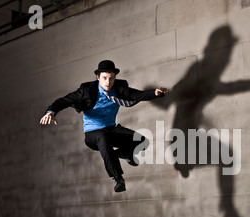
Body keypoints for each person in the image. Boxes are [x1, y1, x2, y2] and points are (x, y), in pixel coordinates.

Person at [40, 60, 168, 192]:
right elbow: (64, 100)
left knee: (142, 141)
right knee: (102, 137)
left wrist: (155, 93)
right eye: (105, 78)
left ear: (115, 77)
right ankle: (118, 179)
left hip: (111, 130)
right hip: (93, 133)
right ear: (98, 77)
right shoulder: (86, 90)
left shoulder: (119, 88)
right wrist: (51, 112)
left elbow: (136, 95)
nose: (108, 82)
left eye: (111, 78)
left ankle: (126, 154)